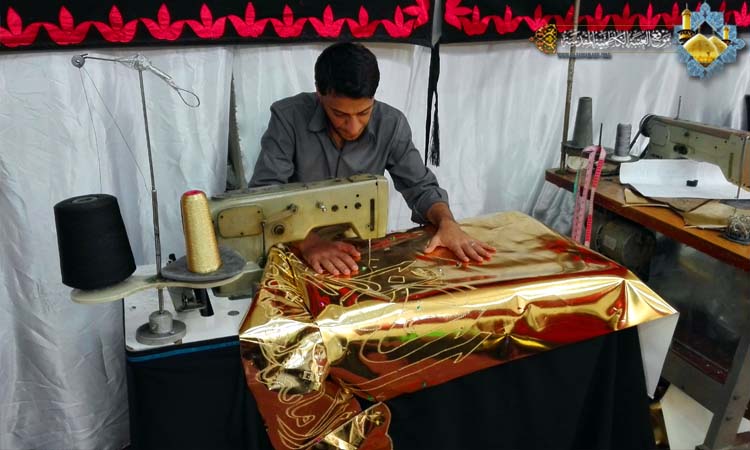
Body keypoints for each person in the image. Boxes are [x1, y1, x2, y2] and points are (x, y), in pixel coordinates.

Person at [250, 42, 494, 276]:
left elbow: (421, 188)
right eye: (339, 114)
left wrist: (447, 222)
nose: (353, 127)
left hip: (358, 254)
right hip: (294, 247)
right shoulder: (288, 118)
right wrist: (307, 242)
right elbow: (263, 195)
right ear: (319, 93)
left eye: (364, 112)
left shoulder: (391, 124)